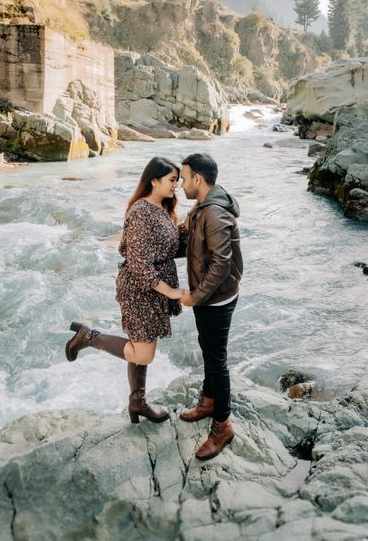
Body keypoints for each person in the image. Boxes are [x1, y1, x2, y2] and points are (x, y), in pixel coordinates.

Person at [64, 156, 189, 424]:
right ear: (153, 181)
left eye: (178, 181)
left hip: (152, 290)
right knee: (143, 353)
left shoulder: (162, 209)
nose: (175, 186)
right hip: (139, 290)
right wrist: (171, 292)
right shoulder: (141, 211)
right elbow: (138, 262)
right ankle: (88, 336)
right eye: (171, 180)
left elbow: (167, 249)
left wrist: (189, 228)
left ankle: (137, 403)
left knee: (140, 347)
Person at [177, 152, 243, 460]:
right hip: (210, 295)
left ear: (198, 179)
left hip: (216, 298)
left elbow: (220, 265)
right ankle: (207, 401)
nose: (181, 184)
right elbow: (196, 250)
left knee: (217, 360)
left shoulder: (213, 213)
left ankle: (222, 425)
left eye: (184, 177)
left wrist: (194, 296)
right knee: (209, 350)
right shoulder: (202, 207)